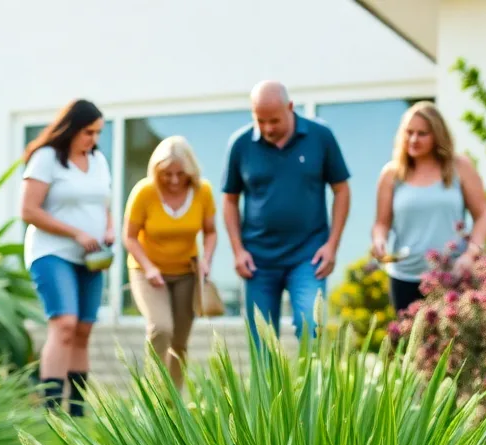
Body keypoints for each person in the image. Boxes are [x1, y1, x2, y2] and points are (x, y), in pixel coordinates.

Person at [223, 80, 350, 345]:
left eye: (274, 121)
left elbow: (341, 190)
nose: (268, 128)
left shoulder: (320, 136)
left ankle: (310, 386)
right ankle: (267, 388)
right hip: (258, 261)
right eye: (261, 121)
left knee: (311, 331)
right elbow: (230, 200)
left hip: (309, 256)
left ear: (290, 107)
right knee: (262, 344)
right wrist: (238, 250)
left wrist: (332, 245)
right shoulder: (240, 144)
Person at [20, 99, 114, 415]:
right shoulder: (46, 158)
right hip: (52, 252)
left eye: (98, 133)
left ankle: (76, 411)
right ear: (71, 129)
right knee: (64, 325)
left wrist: (108, 229)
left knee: (84, 330)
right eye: (88, 132)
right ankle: (50, 410)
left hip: (91, 258)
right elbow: (29, 211)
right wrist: (76, 233)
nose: (94, 139)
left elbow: (105, 204)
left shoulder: (99, 160)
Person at [371, 101, 486, 311]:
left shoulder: (459, 167)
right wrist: (379, 241)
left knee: (452, 343)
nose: (414, 139)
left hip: (451, 275)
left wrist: (471, 254)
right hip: (405, 277)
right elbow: (381, 223)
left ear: (437, 135)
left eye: (422, 133)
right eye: (409, 132)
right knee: (409, 343)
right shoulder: (391, 174)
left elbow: (482, 214)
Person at [122, 136, 217, 387]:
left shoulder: (202, 191)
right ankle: (153, 397)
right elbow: (129, 237)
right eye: (166, 174)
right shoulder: (145, 192)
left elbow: (210, 231)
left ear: (190, 171)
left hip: (186, 272)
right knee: (161, 328)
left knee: (180, 342)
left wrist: (206, 260)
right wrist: (150, 267)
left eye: (180, 174)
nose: (174, 180)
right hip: (148, 272)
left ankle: (173, 402)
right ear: (156, 171)